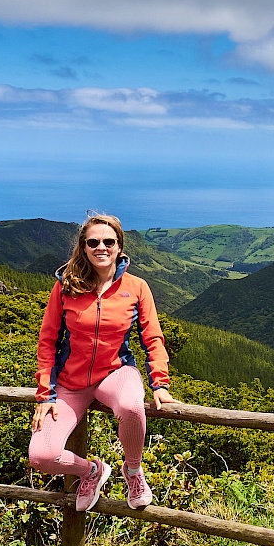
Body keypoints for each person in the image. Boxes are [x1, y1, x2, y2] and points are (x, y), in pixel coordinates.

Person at [29, 214, 178, 512]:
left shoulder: (136, 287)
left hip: (116, 372)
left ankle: (133, 471)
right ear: (83, 247)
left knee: (132, 406)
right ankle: (91, 471)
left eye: (108, 242)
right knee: (41, 456)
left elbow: (152, 338)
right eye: (93, 242)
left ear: (119, 247)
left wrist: (159, 384)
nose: (101, 247)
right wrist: (45, 393)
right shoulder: (65, 287)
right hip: (70, 382)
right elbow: (47, 341)